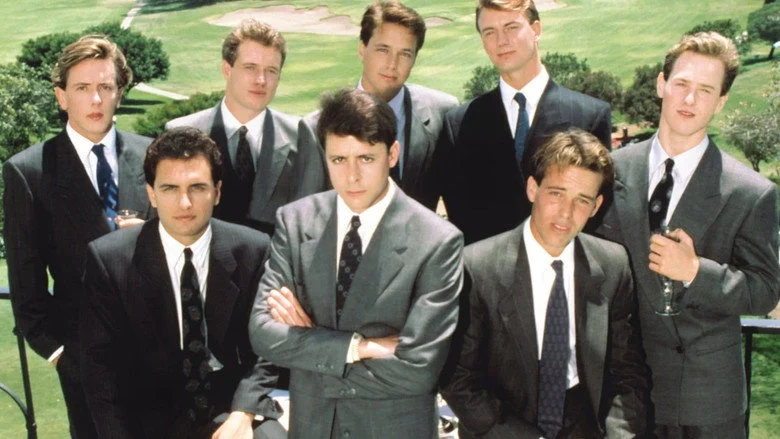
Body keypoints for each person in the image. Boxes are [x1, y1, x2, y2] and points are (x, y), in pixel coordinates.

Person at [593, 32, 780, 438]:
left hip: (706, 399)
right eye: (681, 84)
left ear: (721, 101)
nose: (690, 99)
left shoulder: (751, 192)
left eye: (706, 90)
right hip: (622, 394)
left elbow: (766, 291)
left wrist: (696, 272)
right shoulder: (609, 171)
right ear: (661, 84)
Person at [249, 88, 463, 438]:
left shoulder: (438, 241)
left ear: (392, 154)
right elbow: (263, 333)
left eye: (365, 158)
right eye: (338, 160)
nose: (351, 176)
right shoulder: (295, 221)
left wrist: (312, 355)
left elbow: (420, 369)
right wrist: (358, 348)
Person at [80, 127, 285, 439]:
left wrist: (244, 413)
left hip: (231, 407)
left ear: (217, 191)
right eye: (170, 188)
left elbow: (268, 348)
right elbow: (100, 373)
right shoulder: (110, 260)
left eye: (197, 187)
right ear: (151, 194)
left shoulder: (253, 250)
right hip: (147, 421)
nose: (185, 203)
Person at [441, 129, 647, 438]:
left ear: (596, 206)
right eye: (556, 193)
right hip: (504, 425)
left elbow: (627, 372)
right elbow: (458, 379)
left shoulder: (613, 264)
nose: (566, 213)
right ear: (532, 189)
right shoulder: (477, 267)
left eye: (582, 200)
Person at [3, 35, 152, 439]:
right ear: (61, 96)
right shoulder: (29, 172)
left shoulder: (153, 156)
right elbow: (27, 292)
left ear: (120, 92)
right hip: (86, 367)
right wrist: (62, 356)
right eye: (83, 88)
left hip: (161, 358)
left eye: (106, 86)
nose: (96, 99)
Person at [437, 0, 612, 244]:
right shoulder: (458, 124)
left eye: (511, 27)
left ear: (536, 29)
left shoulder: (590, 116)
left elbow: (597, 212)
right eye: (490, 32)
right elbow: (460, 218)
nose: (501, 41)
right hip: (487, 265)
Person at [167, 19, 327, 236]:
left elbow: (308, 223)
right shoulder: (180, 133)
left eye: (271, 71)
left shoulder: (302, 136)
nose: (261, 80)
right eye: (250, 68)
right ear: (227, 69)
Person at [304, 1, 458, 211]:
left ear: (414, 59)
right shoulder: (315, 127)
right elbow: (308, 214)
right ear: (362, 49)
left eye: (405, 54)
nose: (392, 64)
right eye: (383, 50)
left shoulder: (443, 112)